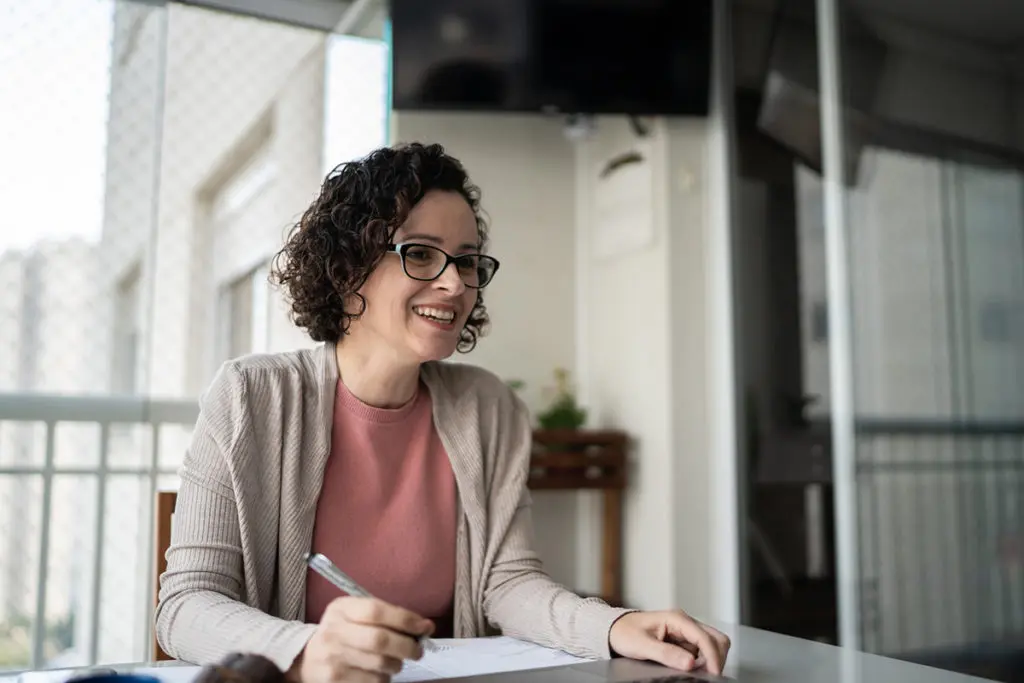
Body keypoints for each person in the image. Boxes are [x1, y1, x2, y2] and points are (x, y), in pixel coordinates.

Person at [155, 142, 730, 683]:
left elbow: (507, 583)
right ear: (348, 267)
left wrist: (613, 625)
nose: (455, 284)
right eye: (422, 254)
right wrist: (304, 654)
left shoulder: (490, 408)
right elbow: (184, 606)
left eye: (468, 261)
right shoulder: (250, 397)